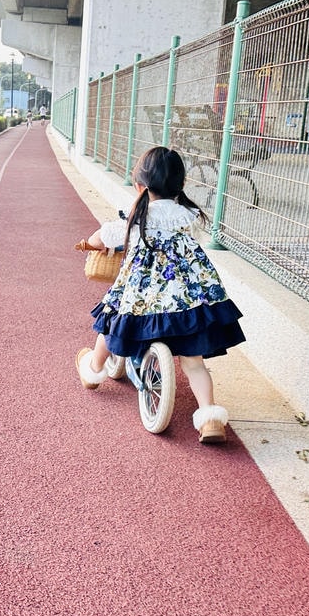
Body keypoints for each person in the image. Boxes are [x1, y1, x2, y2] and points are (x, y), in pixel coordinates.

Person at [73, 146, 245, 443]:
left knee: (112, 320)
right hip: (186, 302)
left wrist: (91, 244)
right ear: (181, 186)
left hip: (143, 298)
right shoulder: (189, 216)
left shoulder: (135, 218)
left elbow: (103, 236)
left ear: (140, 186)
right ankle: (211, 418)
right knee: (194, 363)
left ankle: (93, 369)